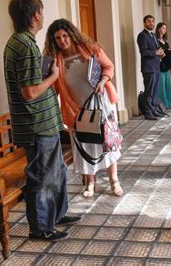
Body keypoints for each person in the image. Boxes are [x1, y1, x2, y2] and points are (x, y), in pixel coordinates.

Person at [3, 0, 79, 242]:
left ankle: (56, 215)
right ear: (36, 14)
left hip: (45, 123)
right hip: (36, 125)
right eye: (41, 11)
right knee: (42, 177)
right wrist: (53, 77)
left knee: (56, 170)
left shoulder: (22, 41)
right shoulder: (24, 45)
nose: (42, 15)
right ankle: (41, 228)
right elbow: (29, 92)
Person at [44, 18, 123, 198]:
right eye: (57, 38)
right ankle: (90, 182)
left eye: (65, 35)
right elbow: (54, 88)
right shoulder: (56, 61)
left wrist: (103, 81)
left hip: (101, 103)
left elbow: (108, 66)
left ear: (72, 34)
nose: (62, 40)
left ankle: (114, 180)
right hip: (76, 109)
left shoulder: (91, 49)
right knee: (83, 144)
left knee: (108, 142)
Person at [137, 15, 165, 120]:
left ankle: (154, 109)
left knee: (154, 91)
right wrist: (155, 52)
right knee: (149, 91)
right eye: (149, 21)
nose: (151, 23)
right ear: (144, 23)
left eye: (153, 21)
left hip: (156, 67)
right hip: (148, 68)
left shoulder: (153, 35)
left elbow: (157, 49)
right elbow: (143, 52)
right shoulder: (142, 36)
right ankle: (147, 112)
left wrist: (161, 53)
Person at [155, 22, 171, 110]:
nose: (165, 30)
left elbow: (169, 52)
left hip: (167, 65)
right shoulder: (156, 40)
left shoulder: (165, 41)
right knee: (161, 87)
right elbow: (158, 52)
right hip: (160, 66)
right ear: (159, 29)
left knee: (168, 86)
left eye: (165, 28)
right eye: (163, 28)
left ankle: (170, 103)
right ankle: (163, 105)